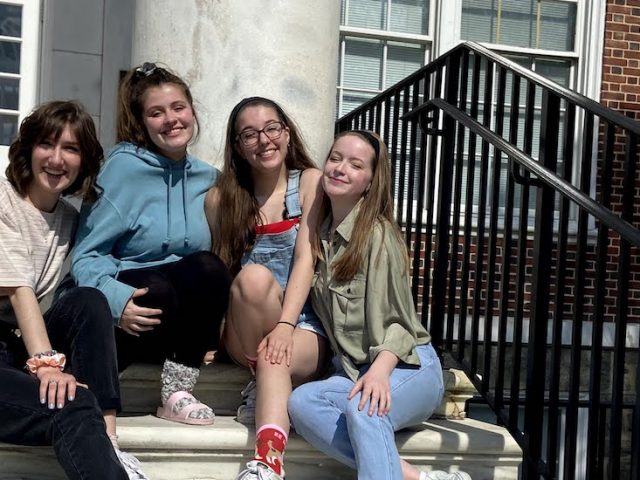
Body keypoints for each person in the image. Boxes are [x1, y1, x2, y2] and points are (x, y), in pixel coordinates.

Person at [287, 131, 472, 480]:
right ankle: (416, 477)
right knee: (302, 403)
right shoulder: (320, 236)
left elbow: (401, 325)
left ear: (370, 181)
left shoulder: (377, 235)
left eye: (355, 165)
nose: (340, 169)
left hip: (407, 366)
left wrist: (380, 371)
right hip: (357, 371)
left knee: (365, 409)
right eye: (336, 158)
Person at [71, 62, 231, 427]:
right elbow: (85, 256)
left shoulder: (209, 178)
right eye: (156, 113)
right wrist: (117, 302)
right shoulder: (121, 170)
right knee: (154, 288)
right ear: (142, 122)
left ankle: (177, 390)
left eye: (178, 108)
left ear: (192, 111)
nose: (171, 119)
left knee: (207, 267)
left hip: (180, 321)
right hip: (134, 314)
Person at [0, 100, 137, 479]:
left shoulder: (70, 219)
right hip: (15, 350)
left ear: (84, 161)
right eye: (47, 144)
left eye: (71, 148)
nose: (57, 159)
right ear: (28, 149)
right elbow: (18, 291)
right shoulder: (2, 200)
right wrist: (46, 366)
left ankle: (108, 436)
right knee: (72, 403)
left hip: (15, 348)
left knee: (88, 300)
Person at [205, 97, 328, 480]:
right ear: (238, 146)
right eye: (250, 134)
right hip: (244, 326)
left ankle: (266, 464)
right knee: (253, 278)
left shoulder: (310, 182)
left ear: (287, 134)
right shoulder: (221, 198)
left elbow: (307, 260)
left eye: (272, 128)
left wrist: (285, 326)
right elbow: (220, 272)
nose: (264, 140)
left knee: (275, 358)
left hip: (301, 326)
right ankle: (265, 383)